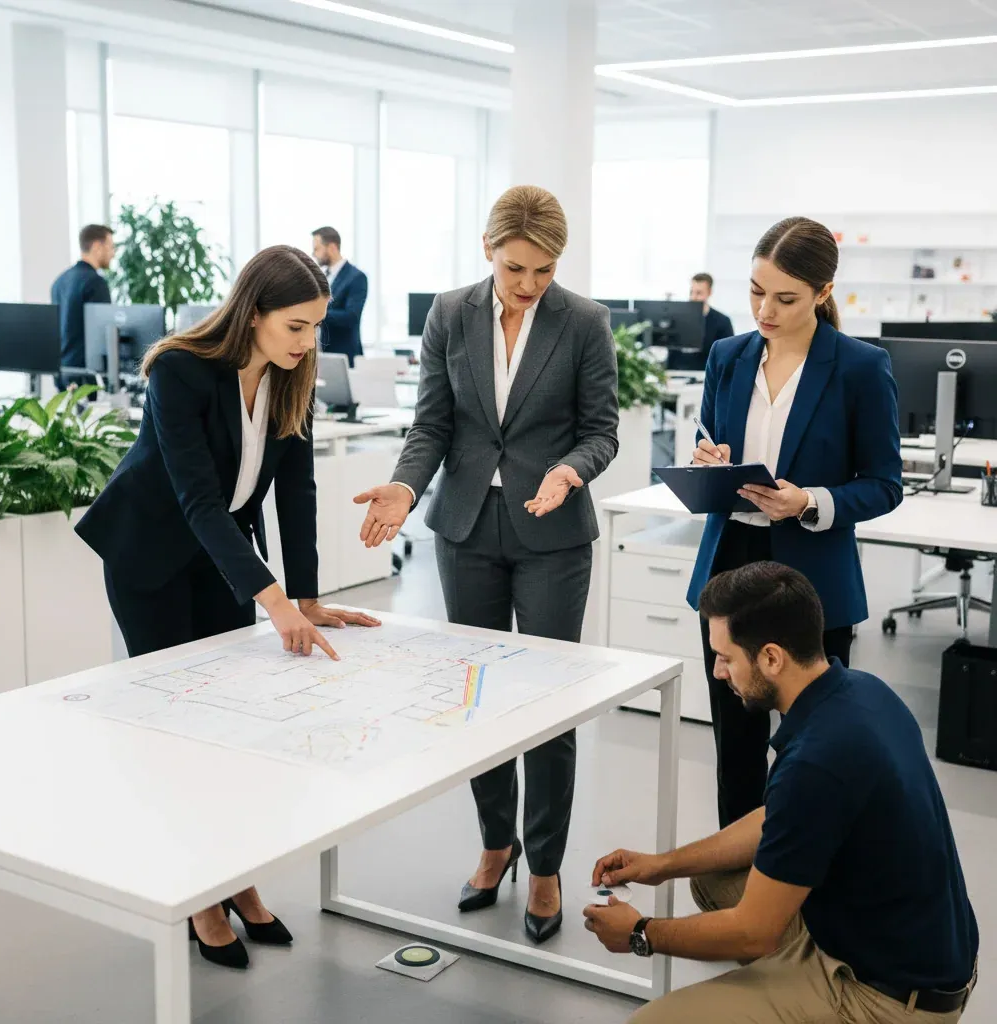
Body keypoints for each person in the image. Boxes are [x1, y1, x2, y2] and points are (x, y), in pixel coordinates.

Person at [75, 245, 380, 969]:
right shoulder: (179, 371)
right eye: (297, 327)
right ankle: (197, 897)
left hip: (221, 563)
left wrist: (307, 595)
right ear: (254, 313)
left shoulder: (292, 377)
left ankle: (236, 877)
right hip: (151, 558)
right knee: (177, 732)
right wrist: (272, 599)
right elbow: (197, 499)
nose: (310, 343)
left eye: (315, 328)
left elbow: (297, 491)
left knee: (229, 729)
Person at [352, 185, 619, 944]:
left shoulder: (586, 323)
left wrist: (571, 470)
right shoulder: (450, 314)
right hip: (466, 529)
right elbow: (432, 421)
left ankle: (544, 866)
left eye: (543, 270)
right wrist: (405, 487)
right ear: (487, 250)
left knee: (544, 705)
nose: (529, 284)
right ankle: (496, 843)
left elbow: (601, 430)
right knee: (477, 699)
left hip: (553, 536)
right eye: (515, 269)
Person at [585, 561, 978, 1024]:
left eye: (726, 657)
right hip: (923, 954)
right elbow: (778, 818)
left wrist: (640, 933)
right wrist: (662, 864)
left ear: (771, 658)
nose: (717, 672)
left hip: (887, 1001)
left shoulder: (816, 761)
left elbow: (754, 933)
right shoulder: (861, 691)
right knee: (713, 881)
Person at [687, 216, 903, 829]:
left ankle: (807, 884)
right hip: (729, 563)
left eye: (785, 298)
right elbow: (711, 441)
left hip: (811, 583)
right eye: (756, 291)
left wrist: (808, 501)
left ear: (822, 293)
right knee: (735, 744)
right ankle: (736, 887)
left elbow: (885, 484)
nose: (765, 310)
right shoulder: (727, 356)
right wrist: (710, 464)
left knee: (817, 748)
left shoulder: (860, 367)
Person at [51, 224, 114, 390]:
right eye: (110, 247)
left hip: (62, 371)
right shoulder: (95, 283)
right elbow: (104, 334)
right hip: (86, 375)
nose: (112, 254)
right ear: (97, 247)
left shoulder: (60, 281)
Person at [312, 226, 367, 366]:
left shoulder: (356, 277)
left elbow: (351, 316)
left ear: (331, 247)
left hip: (345, 356)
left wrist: (316, 314)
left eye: (317, 248)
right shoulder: (323, 277)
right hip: (323, 355)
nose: (314, 253)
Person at [690, 272, 734, 356]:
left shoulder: (723, 322)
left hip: (706, 368)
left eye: (699, 293)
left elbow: (728, 353)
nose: (693, 297)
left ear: (709, 292)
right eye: (691, 292)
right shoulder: (679, 319)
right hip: (675, 368)